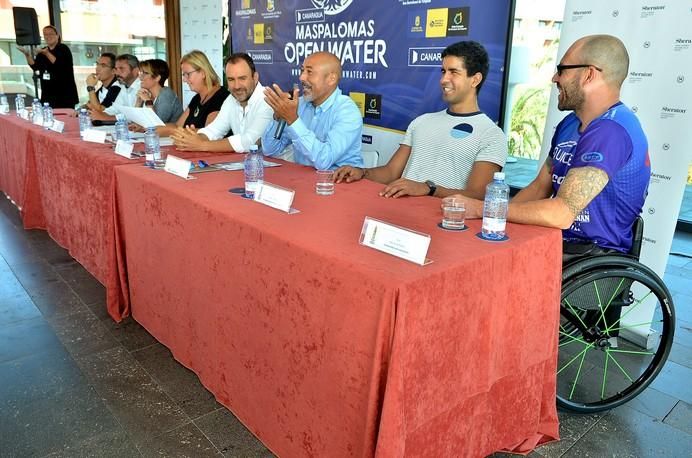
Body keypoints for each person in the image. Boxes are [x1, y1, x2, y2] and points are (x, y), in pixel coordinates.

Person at [452, 35, 650, 255]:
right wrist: (492, 221)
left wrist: (482, 209)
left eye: (562, 69)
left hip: (590, 258)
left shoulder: (611, 130)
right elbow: (539, 188)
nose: (554, 78)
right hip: (556, 243)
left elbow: (561, 213)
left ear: (589, 74)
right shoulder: (570, 123)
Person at [333, 41, 506, 199]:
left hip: (444, 224)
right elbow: (391, 172)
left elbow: (477, 195)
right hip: (398, 216)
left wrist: (428, 188)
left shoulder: (491, 135)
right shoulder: (421, 122)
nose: (444, 79)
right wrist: (361, 172)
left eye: (454, 72)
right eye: (444, 71)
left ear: (475, 79)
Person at [260, 51, 363, 170]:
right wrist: (278, 118)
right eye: (302, 70)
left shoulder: (347, 111)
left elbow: (324, 160)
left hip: (340, 183)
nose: (301, 77)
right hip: (303, 181)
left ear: (331, 79)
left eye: (309, 72)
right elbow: (269, 150)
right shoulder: (299, 104)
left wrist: (293, 120)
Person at [171, 53, 273, 152]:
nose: (237, 86)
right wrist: (194, 138)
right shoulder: (231, 99)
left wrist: (201, 145)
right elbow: (214, 130)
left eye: (242, 78)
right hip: (248, 165)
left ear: (255, 78)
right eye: (231, 79)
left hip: (279, 166)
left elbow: (250, 142)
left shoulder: (267, 100)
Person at [155, 50, 229, 137]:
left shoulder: (221, 98)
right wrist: (150, 128)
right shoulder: (197, 98)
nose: (184, 80)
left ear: (203, 73)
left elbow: (208, 134)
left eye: (188, 74)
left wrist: (171, 131)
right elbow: (177, 126)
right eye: (184, 75)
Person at [16, 25, 78, 108]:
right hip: (48, 95)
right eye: (45, 34)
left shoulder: (63, 48)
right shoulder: (43, 50)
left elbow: (60, 65)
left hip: (64, 95)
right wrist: (27, 55)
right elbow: (35, 67)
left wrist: (47, 53)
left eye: (51, 34)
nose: (48, 37)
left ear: (57, 36)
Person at [134, 59, 183, 124]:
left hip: (170, 134)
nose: (140, 77)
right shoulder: (148, 94)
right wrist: (138, 102)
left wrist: (148, 101)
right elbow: (135, 122)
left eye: (145, 73)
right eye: (140, 73)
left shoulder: (166, 95)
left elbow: (156, 125)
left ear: (157, 78)